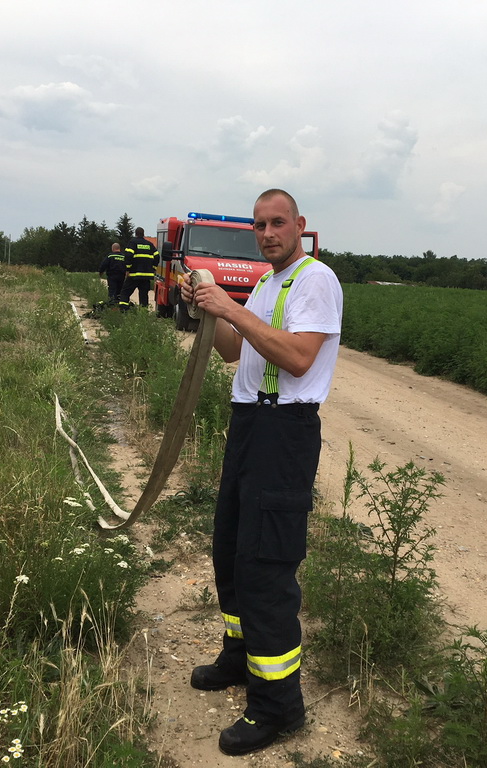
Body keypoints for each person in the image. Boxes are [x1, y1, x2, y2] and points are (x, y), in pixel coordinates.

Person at [180, 189, 343, 756]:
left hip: (285, 432)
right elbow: (233, 351)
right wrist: (211, 308)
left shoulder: (315, 280)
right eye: (259, 225)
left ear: (300, 225)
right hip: (250, 424)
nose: (268, 233)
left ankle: (278, 705)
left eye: (278, 223)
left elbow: (298, 358)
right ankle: (239, 658)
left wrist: (232, 308)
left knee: (267, 565)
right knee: (231, 549)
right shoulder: (268, 285)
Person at [118, 227, 157, 310]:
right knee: (144, 295)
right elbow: (157, 256)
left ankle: (123, 310)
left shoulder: (133, 242)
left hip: (134, 274)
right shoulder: (149, 244)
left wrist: (128, 269)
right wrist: (153, 268)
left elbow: (128, 255)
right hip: (146, 276)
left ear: (135, 234)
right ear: (143, 234)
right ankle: (143, 312)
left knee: (125, 293)